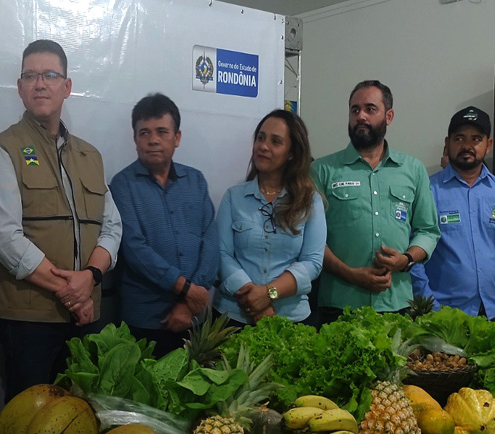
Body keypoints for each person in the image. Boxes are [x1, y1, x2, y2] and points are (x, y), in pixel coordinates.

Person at [0, 39, 122, 400]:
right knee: (28, 427)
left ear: (67, 87)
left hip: (86, 318)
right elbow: (4, 239)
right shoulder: (3, 148)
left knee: (82, 423)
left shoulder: (90, 155)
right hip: (31, 322)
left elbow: (112, 227)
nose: (39, 83)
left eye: (49, 75)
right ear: (19, 88)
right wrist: (72, 292)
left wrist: (89, 278)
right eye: (30, 75)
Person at [311, 80, 439, 325]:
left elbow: (428, 231)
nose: (360, 116)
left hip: (396, 304)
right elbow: (312, 241)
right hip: (339, 306)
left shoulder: (412, 169)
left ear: (388, 116)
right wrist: (351, 274)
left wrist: (406, 259)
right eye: (355, 110)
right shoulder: (322, 171)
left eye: (370, 109)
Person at [109, 93, 217, 356]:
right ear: (134, 139)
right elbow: (134, 249)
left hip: (195, 321)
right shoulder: (122, 185)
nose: (153, 140)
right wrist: (187, 290)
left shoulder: (196, 180)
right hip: (145, 321)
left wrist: (191, 301)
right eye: (144, 132)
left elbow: (211, 243)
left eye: (161, 131)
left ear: (177, 137)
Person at [214, 109, 326, 324]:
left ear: (291, 153)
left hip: (291, 319)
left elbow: (312, 262)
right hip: (233, 317)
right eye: (260, 138)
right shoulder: (233, 197)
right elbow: (222, 255)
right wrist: (254, 304)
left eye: (275, 141)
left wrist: (268, 294)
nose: (263, 146)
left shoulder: (310, 202)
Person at [412, 106, 495, 318]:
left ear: (488, 145)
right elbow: (414, 255)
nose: (467, 146)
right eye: (459, 139)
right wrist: (431, 307)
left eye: (476, 139)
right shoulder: (428, 191)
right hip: (445, 315)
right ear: (447, 143)